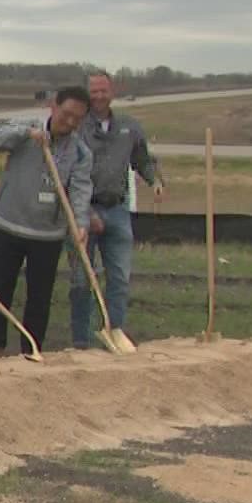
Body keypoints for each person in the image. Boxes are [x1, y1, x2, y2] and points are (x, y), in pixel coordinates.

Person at [0, 86, 94, 357]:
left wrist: (80, 224)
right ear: (54, 106)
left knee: (40, 298)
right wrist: (26, 134)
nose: (69, 122)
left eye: (77, 118)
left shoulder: (80, 152)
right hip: (9, 225)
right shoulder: (27, 127)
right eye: (66, 114)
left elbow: (80, 191)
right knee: (0, 289)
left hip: (47, 235)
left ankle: (31, 350)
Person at [69, 70, 166, 349]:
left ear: (112, 92)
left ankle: (115, 331)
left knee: (120, 277)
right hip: (84, 212)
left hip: (118, 210)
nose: (99, 96)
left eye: (103, 90)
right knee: (81, 279)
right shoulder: (77, 126)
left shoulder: (129, 127)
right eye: (94, 91)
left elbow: (142, 160)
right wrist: (85, 213)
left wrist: (154, 181)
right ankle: (80, 340)